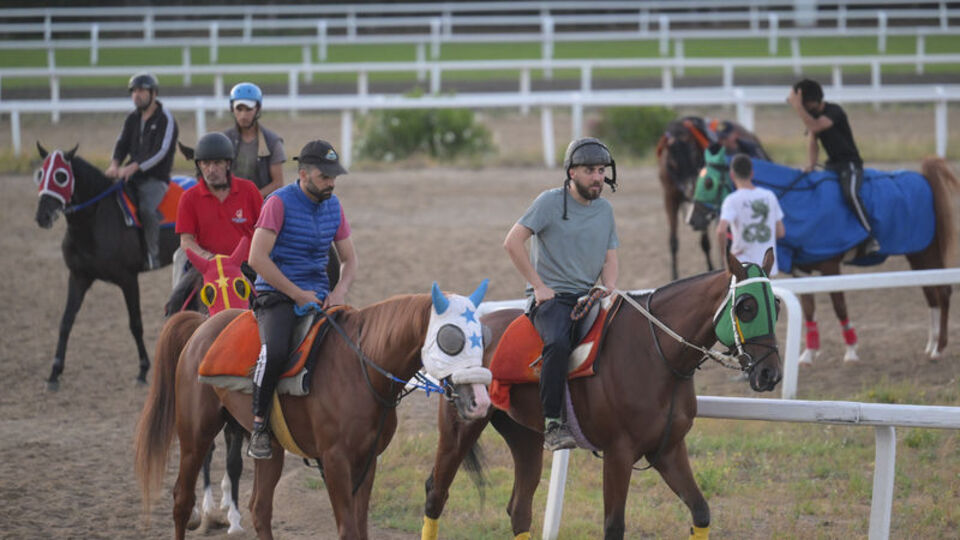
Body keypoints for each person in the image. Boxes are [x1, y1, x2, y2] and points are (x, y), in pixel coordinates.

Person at [503, 137, 620, 452]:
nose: (598, 177)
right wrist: (539, 286)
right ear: (572, 173)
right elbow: (512, 242)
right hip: (552, 301)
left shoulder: (606, 210)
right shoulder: (549, 203)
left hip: (591, 297)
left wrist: (607, 288)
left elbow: (610, 257)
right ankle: (553, 423)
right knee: (556, 343)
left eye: (601, 170)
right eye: (590, 171)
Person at [246, 139, 358, 459]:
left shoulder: (334, 206)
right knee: (276, 349)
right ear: (304, 173)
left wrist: (339, 293)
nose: (332, 183)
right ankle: (259, 426)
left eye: (334, 176)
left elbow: (351, 260)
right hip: (276, 296)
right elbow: (257, 258)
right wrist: (296, 293)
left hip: (322, 296)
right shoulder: (278, 203)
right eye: (325, 177)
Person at [788, 78, 879, 256]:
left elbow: (815, 126)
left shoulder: (834, 111)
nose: (801, 108)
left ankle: (870, 237)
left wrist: (797, 105)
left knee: (850, 194)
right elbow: (813, 141)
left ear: (812, 102)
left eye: (803, 104)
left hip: (850, 164)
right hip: (832, 166)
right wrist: (811, 166)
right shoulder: (813, 117)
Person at [105, 72, 179, 270]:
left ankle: (152, 254)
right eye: (134, 91)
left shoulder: (166, 119)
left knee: (146, 209)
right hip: (132, 176)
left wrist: (134, 166)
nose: (136, 95)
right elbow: (121, 143)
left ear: (153, 93)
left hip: (156, 179)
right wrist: (114, 164)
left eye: (141, 91)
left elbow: (161, 152)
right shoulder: (132, 118)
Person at [174, 132, 262, 283]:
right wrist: (208, 257)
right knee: (176, 302)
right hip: (208, 267)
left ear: (228, 164)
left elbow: (264, 230)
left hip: (246, 267)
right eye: (205, 164)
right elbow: (186, 240)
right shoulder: (188, 198)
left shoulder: (249, 190)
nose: (211, 169)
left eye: (217, 163)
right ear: (199, 165)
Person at [716, 154, 785, 275]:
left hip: (743, 268)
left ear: (732, 175)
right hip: (767, 268)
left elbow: (721, 231)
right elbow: (780, 232)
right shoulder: (770, 196)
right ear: (752, 173)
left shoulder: (732, 200)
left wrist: (726, 257)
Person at [224, 82, 285, 198]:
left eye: (248, 109)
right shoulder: (224, 140)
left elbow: (278, 183)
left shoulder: (272, 141)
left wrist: (251, 198)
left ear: (258, 109)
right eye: (239, 109)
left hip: (260, 207)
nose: (243, 115)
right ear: (232, 109)